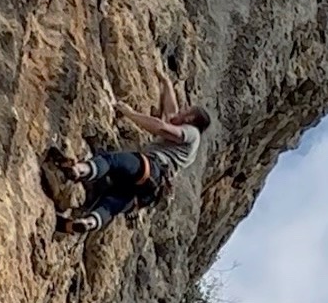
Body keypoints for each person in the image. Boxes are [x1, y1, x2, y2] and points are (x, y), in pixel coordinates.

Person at [49, 99, 210, 233]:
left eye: (185, 111)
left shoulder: (192, 132)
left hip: (152, 167)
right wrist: (164, 80)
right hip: (149, 192)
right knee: (110, 204)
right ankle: (88, 222)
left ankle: (79, 170)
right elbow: (171, 113)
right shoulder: (190, 150)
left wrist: (129, 113)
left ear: (189, 119)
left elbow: (162, 127)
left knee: (110, 161)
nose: (181, 110)